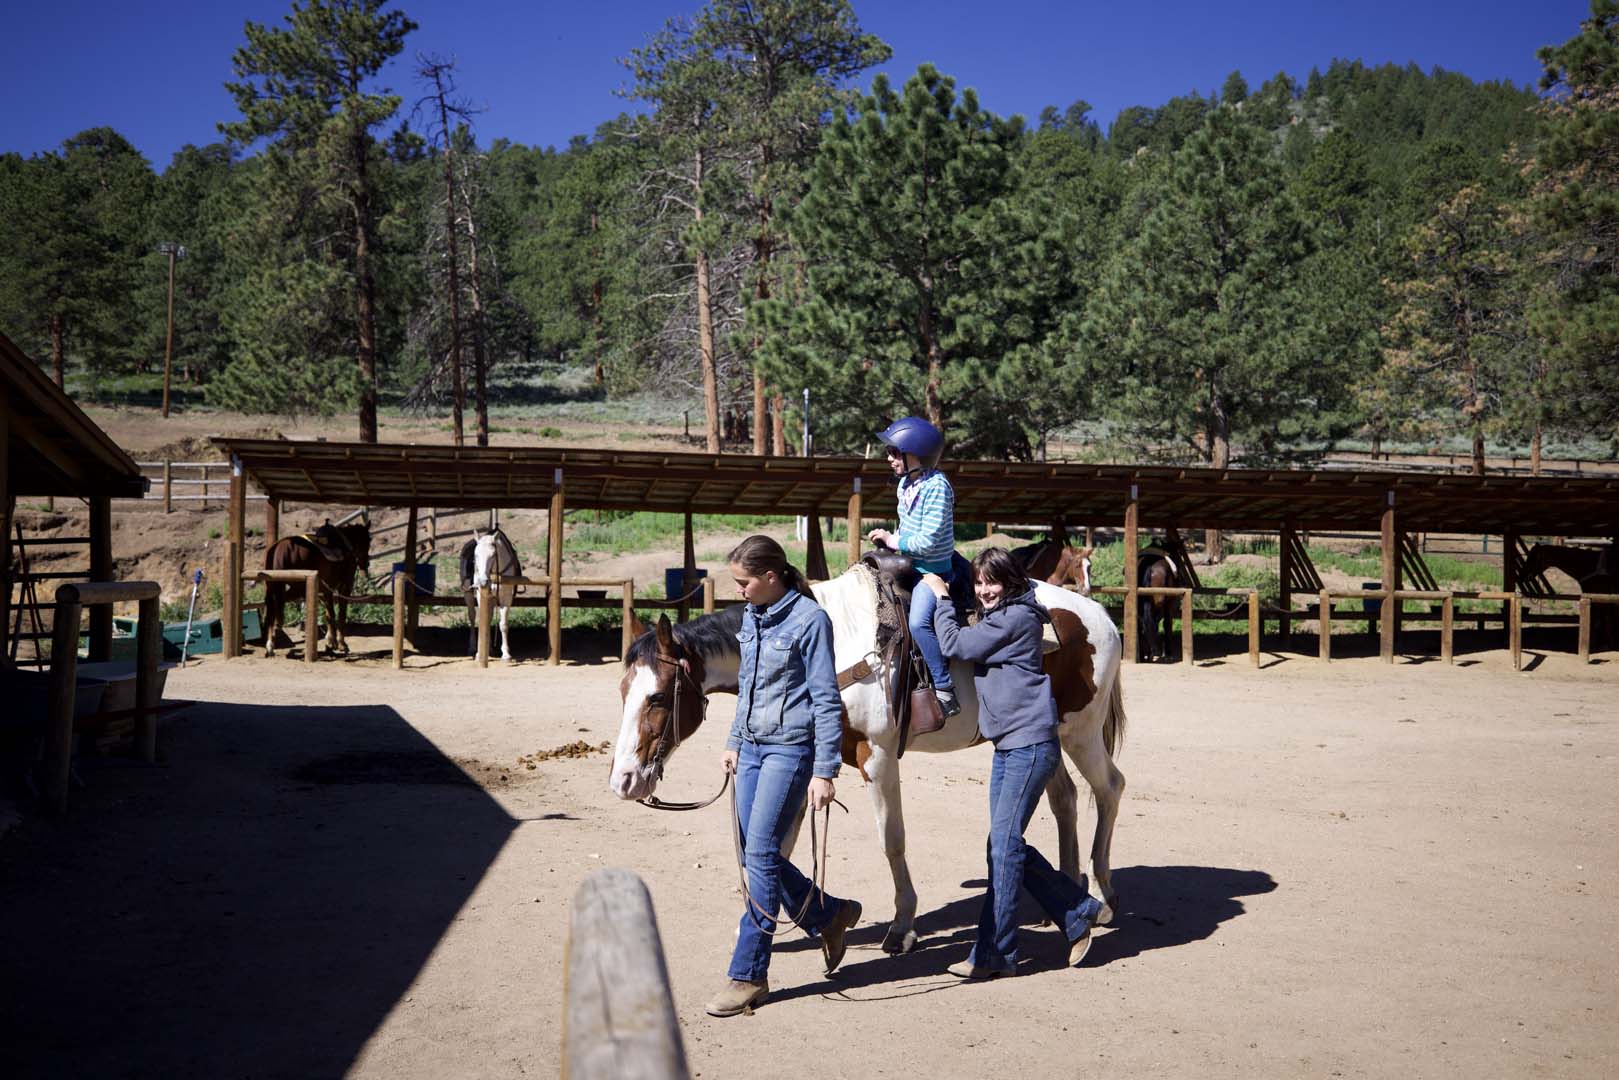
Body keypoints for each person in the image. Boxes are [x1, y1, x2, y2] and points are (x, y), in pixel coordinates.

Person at [923, 547, 1103, 978]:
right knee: (1001, 847)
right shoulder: (1004, 615)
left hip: (1029, 745)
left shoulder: (1017, 618)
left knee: (1003, 846)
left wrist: (942, 597)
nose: (984, 591)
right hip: (1010, 747)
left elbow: (953, 644)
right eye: (980, 582)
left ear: (1011, 583)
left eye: (992, 583)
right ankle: (1075, 909)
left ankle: (999, 952)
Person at [706, 535, 863, 1017]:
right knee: (755, 852)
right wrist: (734, 740)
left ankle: (749, 974)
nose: (739, 592)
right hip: (751, 748)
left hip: (789, 751)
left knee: (760, 854)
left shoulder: (809, 621)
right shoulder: (753, 617)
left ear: (771, 577)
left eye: (744, 582)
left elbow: (824, 699)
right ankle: (828, 913)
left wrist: (825, 771)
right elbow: (748, 686)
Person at [866, 416, 960, 716]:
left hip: (931, 572)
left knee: (918, 623)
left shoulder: (938, 487)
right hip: (908, 565)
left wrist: (893, 540)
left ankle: (945, 689)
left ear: (917, 454)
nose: (889, 459)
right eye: (889, 453)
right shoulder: (906, 484)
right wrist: (890, 541)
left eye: (895, 453)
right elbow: (907, 531)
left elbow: (929, 541)